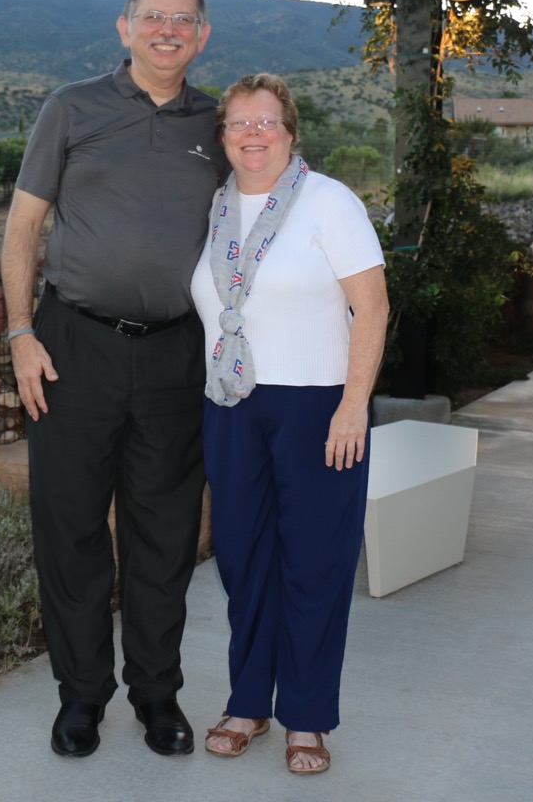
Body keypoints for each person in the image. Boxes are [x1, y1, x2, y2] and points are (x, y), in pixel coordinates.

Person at [2, 0, 227, 759]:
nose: (168, 29)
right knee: (70, 529)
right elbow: (23, 228)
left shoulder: (217, 123)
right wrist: (20, 332)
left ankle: (157, 695)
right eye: (153, 15)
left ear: (201, 36)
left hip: (176, 352)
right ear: (125, 27)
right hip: (73, 346)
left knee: (164, 533)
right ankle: (81, 697)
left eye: (183, 19)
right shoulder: (72, 107)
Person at [189, 73, 387, 774]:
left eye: (266, 121)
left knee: (314, 564)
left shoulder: (329, 201)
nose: (253, 134)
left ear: (290, 132)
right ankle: (248, 703)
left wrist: (354, 406)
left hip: (316, 407)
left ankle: (306, 716)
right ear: (223, 136)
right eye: (239, 122)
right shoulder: (214, 209)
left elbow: (373, 307)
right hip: (231, 406)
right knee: (244, 562)